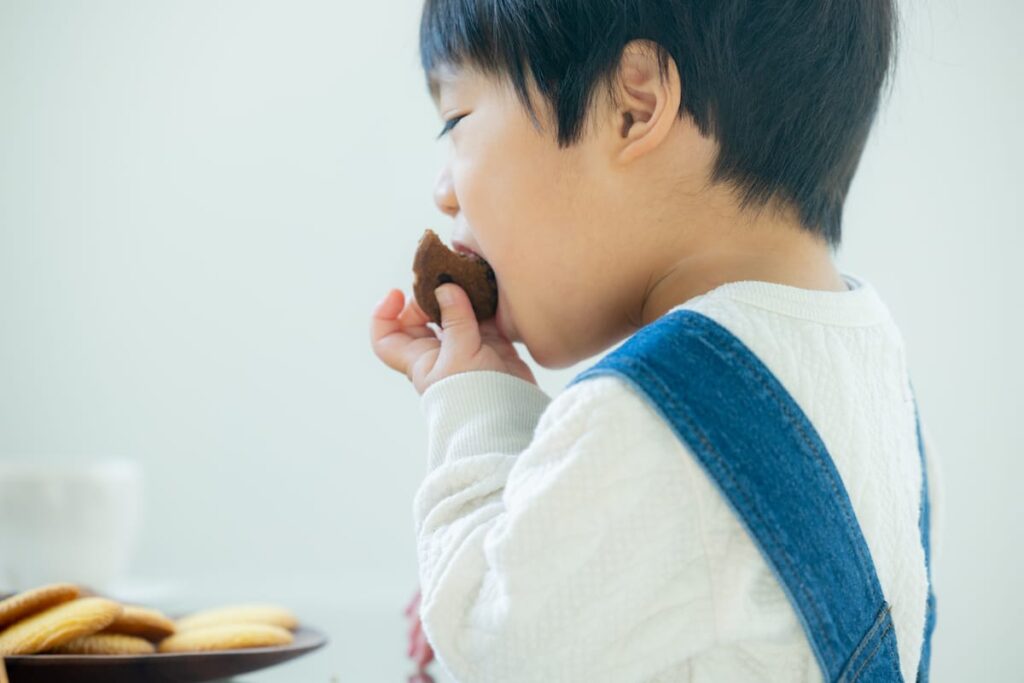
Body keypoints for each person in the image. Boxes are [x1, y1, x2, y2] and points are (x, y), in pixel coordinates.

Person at [370, 1, 944, 680]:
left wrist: (476, 405)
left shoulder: (649, 412)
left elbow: (494, 645)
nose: (443, 190)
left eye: (456, 121)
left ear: (633, 107)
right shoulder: (864, 365)